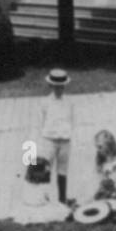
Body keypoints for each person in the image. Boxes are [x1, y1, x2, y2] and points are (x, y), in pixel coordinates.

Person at [38, 68, 75, 206]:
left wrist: (67, 135)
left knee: (62, 171)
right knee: (45, 170)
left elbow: (71, 121)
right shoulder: (45, 102)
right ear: (51, 86)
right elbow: (41, 123)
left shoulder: (69, 102)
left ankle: (62, 199)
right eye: (56, 87)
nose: (59, 89)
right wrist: (44, 140)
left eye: (62, 87)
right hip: (50, 140)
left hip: (65, 141)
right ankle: (43, 198)